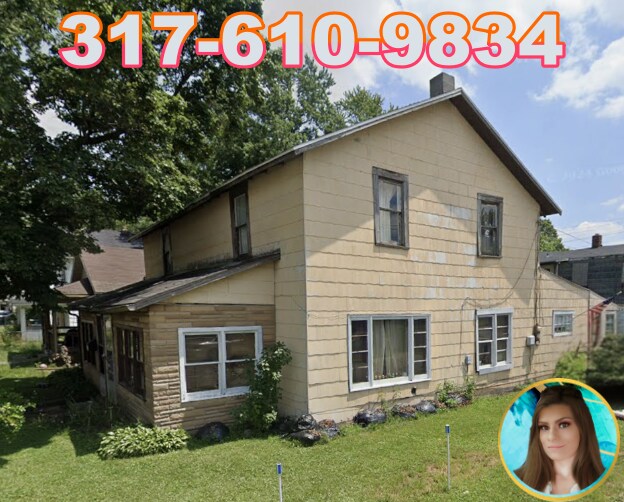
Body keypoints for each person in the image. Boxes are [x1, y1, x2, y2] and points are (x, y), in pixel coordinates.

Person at [514, 385, 605, 494]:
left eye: (563, 425)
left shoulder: (605, 481)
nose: (551, 437)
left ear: (583, 428)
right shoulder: (518, 479)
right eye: (544, 427)